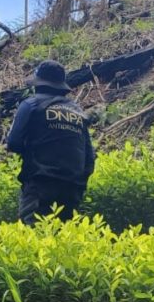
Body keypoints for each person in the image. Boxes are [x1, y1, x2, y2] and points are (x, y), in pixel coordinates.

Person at [6, 60, 96, 224]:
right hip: (72, 190)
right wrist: (78, 184)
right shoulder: (77, 111)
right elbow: (90, 158)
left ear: (38, 83)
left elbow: (13, 142)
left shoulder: (31, 104)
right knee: (63, 243)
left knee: (35, 240)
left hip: (40, 187)